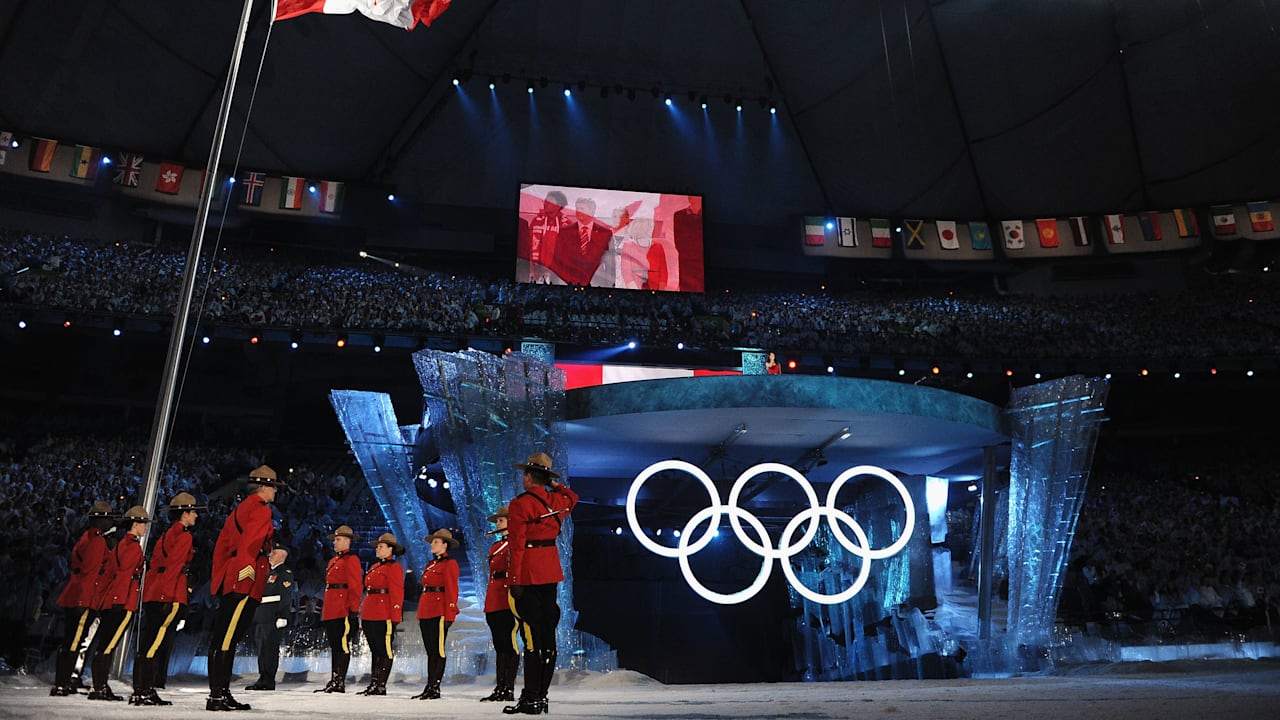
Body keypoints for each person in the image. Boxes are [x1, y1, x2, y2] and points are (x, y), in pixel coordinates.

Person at [503, 452, 578, 716]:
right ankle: (541, 695)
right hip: (550, 570)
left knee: (532, 637)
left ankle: (531, 697)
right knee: (548, 636)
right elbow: (573, 499)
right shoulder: (557, 499)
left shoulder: (520, 504)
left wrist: (514, 579)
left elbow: (517, 545)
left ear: (527, 477)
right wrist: (556, 486)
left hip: (529, 572)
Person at [208, 464, 286, 711]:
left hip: (233, 576)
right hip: (243, 580)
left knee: (225, 637)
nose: (275, 492)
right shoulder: (261, 510)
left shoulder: (243, 508)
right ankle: (217, 695)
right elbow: (250, 546)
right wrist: (247, 575)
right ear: (263, 487)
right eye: (273, 487)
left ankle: (221, 692)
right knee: (226, 639)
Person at [130, 492, 204, 706]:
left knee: (147, 642)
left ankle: (140, 688)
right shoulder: (184, 536)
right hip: (169, 592)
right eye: (193, 513)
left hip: (156, 590)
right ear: (185, 514)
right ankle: (146, 689)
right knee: (155, 643)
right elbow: (174, 567)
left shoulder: (166, 535)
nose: (196, 517)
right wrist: (167, 595)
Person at [51, 501, 115, 697]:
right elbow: (92, 573)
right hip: (84, 597)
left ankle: (65, 680)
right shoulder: (96, 541)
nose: (110, 522)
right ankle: (63, 682)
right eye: (108, 518)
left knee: (72, 640)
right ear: (100, 520)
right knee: (74, 642)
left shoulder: (87, 538)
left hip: (78, 594)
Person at [88, 505, 151, 702]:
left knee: (105, 644)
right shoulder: (132, 547)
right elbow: (125, 576)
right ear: (135, 524)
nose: (145, 528)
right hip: (123, 601)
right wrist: (121, 601)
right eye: (143, 524)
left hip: (112, 600)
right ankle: (100, 687)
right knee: (108, 645)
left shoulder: (121, 545)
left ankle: (100, 685)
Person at [411, 528, 460, 700]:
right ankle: (429, 685)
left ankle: (435, 687)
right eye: (433, 542)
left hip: (439, 611)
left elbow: (452, 590)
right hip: (427, 609)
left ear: (445, 545)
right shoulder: (430, 565)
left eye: (436, 542)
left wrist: (450, 614)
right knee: (430, 650)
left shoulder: (450, 564)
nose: (432, 544)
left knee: (438, 650)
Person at [315, 524, 362, 694]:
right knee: (335, 645)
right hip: (332, 607)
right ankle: (335, 678)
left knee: (342, 645)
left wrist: (353, 610)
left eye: (338, 539)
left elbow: (355, 586)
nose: (335, 542)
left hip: (342, 608)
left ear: (348, 541)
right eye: (335, 539)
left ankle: (339, 680)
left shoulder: (352, 560)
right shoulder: (334, 561)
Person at [357, 533, 405, 696]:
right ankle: (374, 682)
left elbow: (397, 592)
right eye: (377, 546)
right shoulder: (374, 566)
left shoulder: (394, 567)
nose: (377, 549)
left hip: (384, 613)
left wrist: (395, 616)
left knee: (384, 650)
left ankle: (381, 684)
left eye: (381, 546)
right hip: (371, 611)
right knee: (375, 650)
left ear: (390, 549)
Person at [480, 504, 519, 703]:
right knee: (499, 645)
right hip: (494, 597)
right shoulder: (496, 546)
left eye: (501, 520)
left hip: (508, 597)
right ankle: (500, 686)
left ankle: (509, 688)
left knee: (509, 643)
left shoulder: (516, 543)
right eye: (497, 521)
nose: (497, 524)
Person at [245, 544, 294, 691]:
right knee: (261, 648)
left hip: (273, 615)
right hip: (262, 614)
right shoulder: (268, 572)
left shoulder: (284, 572)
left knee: (270, 649)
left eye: (274, 551)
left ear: (282, 554)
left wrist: (283, 615)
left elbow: (286, 596)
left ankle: (268, 680)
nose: (270, 554)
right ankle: (262, 677)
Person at [672, 195, 705, 292]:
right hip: (687, 263)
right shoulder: (679, 215)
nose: (690, 197)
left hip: (701, 263)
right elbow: (679, 241)